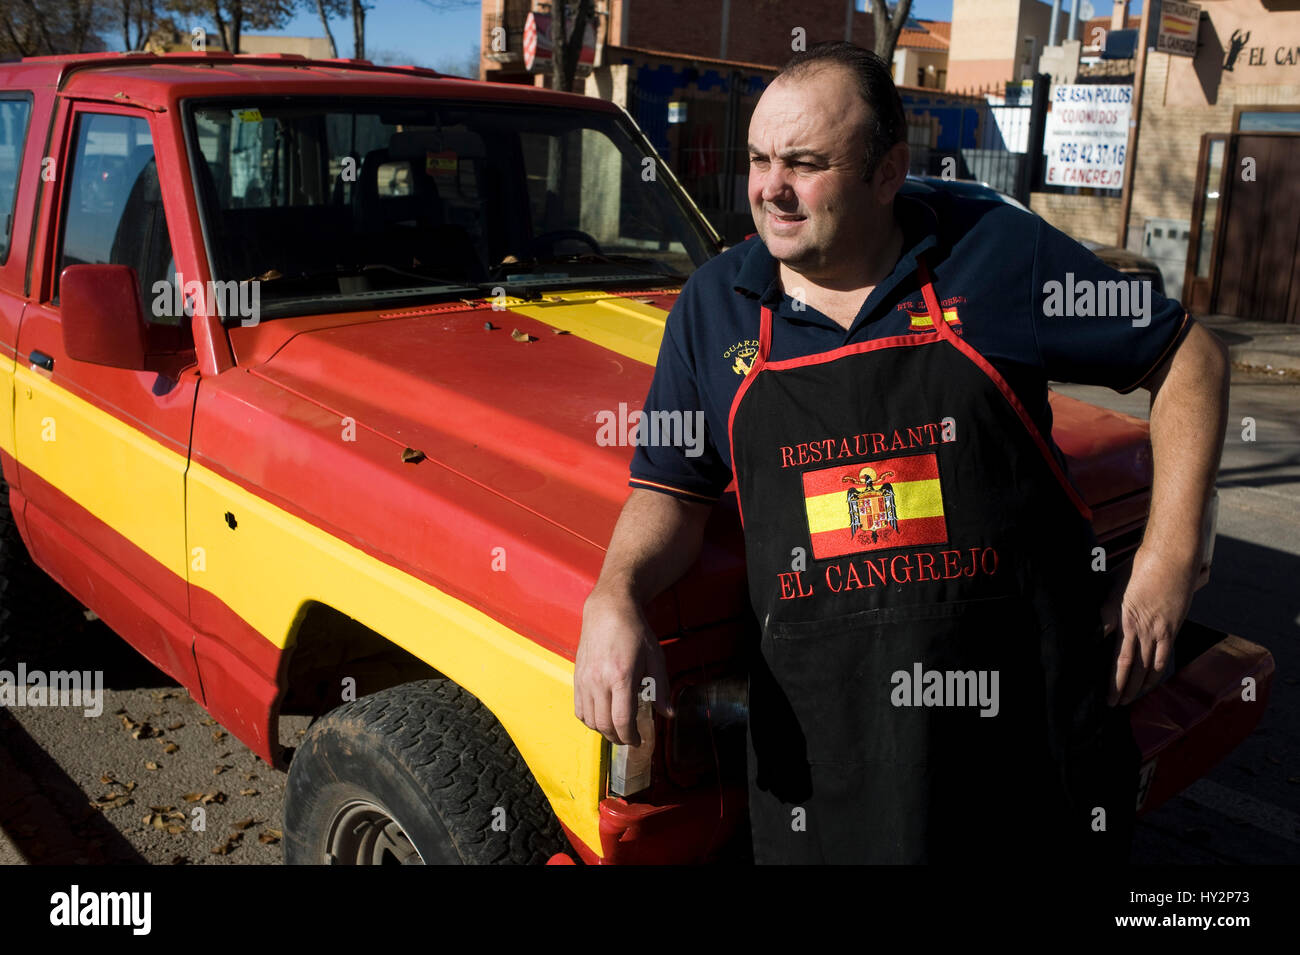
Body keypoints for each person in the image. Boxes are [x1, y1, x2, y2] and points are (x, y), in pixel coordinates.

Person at [573, 42, 1228, 863]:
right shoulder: (715, 309)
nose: (770, 187)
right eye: (759, 158)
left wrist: (1169, 558)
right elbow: (672, 489)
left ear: (888, 173)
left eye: (805, 164)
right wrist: (615, 592)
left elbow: (1188, 358)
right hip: (827, 767)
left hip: (1026, 748)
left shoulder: (996, 256)